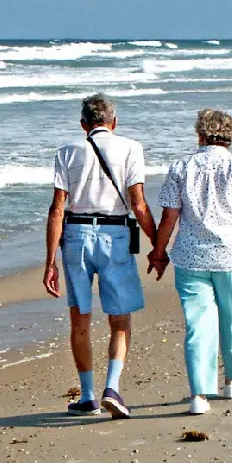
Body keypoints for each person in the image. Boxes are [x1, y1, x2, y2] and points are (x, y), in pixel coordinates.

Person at [149, 109, 232, 415]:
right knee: (231, 318)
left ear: (200, 134)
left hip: (191, 257)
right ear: (230, 136)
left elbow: (169, 216)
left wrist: (158, 251)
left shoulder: (181, 167)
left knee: (198, 326)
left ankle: (199, 395)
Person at [44, 93, 157, 418]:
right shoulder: (131, 148)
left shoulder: (66, 152)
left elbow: (57, 209)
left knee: (80, 319)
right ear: (114, 122)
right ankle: (113, 388)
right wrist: (157, 247)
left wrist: (50, 261)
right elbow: (138, 204)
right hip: (116, 234)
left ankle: (89, 396)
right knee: (120, 319)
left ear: (84, 125)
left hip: (76, 236)